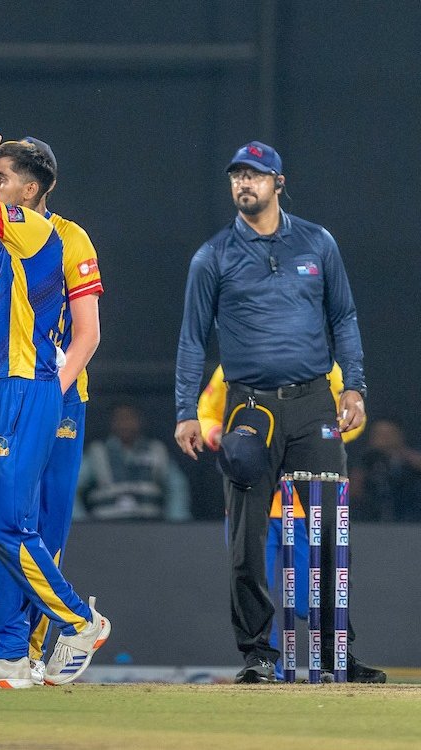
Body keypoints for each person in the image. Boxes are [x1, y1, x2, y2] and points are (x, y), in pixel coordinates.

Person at [174, 141, 375, 684]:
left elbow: (344, 317)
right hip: (249, 409)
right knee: (246, 538)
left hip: (314, 404)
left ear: (278, 183)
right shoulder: (212, 255)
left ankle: (335, 653)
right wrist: (187, 411)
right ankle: (258, 654)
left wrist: (354, 388)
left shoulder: (317, 242)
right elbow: (192, 339)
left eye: (256, 175)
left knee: (328, 532)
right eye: (238, 175)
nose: (245, 183)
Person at [0, 136, 110, 689]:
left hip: (48, 391)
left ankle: (24, 647)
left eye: (1, 178)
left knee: (33, 524)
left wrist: (51, 394)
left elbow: (87, 333)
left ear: (31, 189)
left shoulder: (62, 236)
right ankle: (4, 635)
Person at [197, 362, 382, 682]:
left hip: (301, 509)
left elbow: (353, 419)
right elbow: (207, 411)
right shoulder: (236, 362)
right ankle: (266, 666)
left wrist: (313, 438)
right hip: (254, 498)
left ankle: (332, 658)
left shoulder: (323, 365)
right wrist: (220, 436)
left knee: (306, 600)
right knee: (257, 588)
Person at [76, 402, 190, 521]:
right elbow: (73, 487)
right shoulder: (97, 452)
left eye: (130, 418)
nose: (125, 424)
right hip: (105, 524)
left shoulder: (157, 450)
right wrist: (79, 523)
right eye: (120, 419)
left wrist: (176, 522)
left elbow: (177, 487)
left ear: (140, 421)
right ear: (112, 422)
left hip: (150, 524)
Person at [351, 418, 421, 522]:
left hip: (410, 516)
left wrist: (401, 453)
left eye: (389, 434)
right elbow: (354, 491)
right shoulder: (365, 461)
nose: (384, 439)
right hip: (371, 518)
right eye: (379, 434)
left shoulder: (410, 458)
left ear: (400, 436)